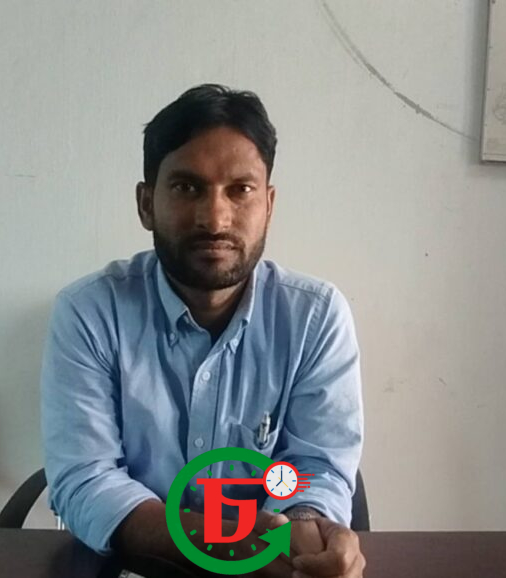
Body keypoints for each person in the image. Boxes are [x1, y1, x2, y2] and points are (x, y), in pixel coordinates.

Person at [41, 84, 365, 578]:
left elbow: (316, 467)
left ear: (269, 204)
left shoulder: (315, 318)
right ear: (146, 204)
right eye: (187, 188)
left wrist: (305, 527)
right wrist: (226, 544)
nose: (215, 219)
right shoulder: (90, 312)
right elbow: (86, 477)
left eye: (240, 190)